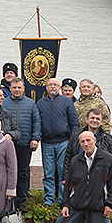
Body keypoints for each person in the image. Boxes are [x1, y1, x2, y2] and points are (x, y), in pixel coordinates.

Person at [43, 108, 112, 223]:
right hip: (77, 205)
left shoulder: (107, 159)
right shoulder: (75, 160)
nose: (86, 143)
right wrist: (65, 203)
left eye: (88, 140)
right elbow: (69, 184)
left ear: (95, 140)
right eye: (83, 141)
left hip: (97, 206)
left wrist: (111, 204)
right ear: (80, 143)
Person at [36, 78, 79, 207]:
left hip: (63, 142)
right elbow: (37, 123)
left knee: (62, 172)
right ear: (46, 88)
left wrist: (74, 140)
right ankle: (49, 200)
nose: (53, 87)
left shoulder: (67, 102)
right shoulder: (40, 103)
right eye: (50, 85)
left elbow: (74, 122)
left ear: (60, 87)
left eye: (55, 84)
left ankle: (62, 199)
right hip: (47, 143)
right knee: (48, 172)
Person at [2, 78, 41, 213]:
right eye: (14, 88)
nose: (17, 90)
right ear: (10, 88)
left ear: (23, 88)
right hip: (8, 145)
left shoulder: (31, 103)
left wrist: (35, 138)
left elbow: (36, 122)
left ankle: (21, 201)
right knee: (8, 172)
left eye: (19, 87)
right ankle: (8, 200)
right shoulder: (4, 103)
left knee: (23, 172)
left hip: (25, 144)